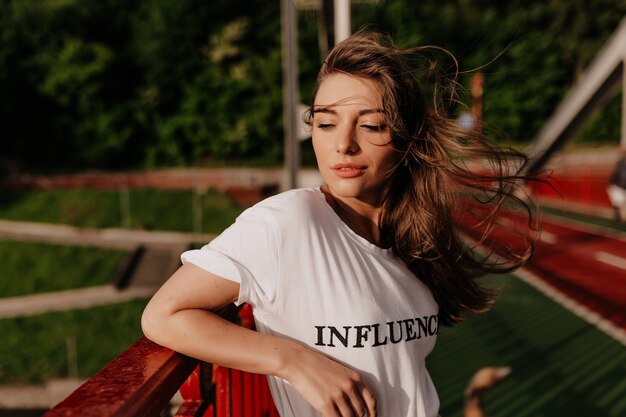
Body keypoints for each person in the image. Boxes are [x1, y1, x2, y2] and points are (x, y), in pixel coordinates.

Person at [141, 29, 536, 417]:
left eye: (371, 125)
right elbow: (164, 316)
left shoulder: (410, 239)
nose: (343, 143)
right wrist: (293, 361)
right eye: (327, 123)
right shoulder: (287, 223)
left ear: (407, 137)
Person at [607, 149, 626, 222]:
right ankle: (618, 217)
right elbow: (615, 175)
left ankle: (619, 217)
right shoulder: (620, 164)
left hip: (621, 186)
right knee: (618, 202)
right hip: (618, 186)